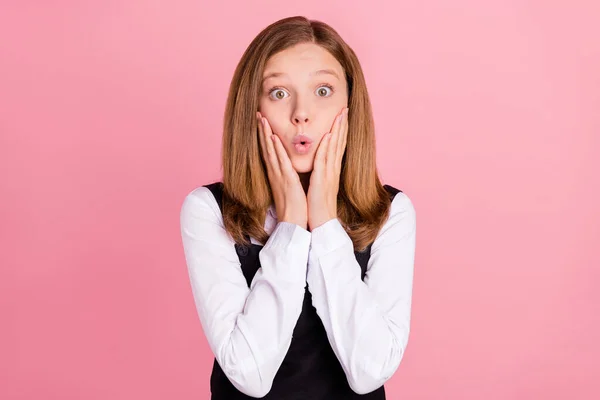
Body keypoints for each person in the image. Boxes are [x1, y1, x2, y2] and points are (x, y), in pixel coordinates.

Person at [180, 15, 416, 399]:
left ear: (350, 107)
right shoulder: (208, 210)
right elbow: (250, 375)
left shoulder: (391, 212)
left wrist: (323, 224)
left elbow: (369, 371)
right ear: (250, 108)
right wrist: (291, 226)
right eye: (278, 93)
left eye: (323, 91)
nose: (301, 114)